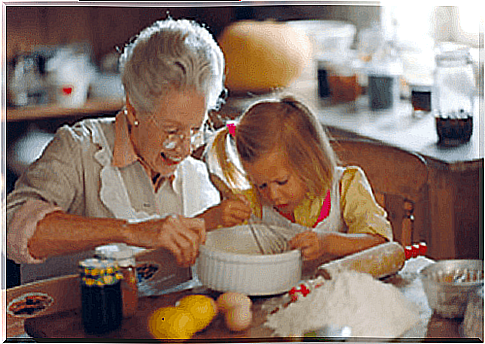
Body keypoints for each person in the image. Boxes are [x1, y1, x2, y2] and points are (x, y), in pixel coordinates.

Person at [6, 18, 238, 285]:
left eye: (195, 129)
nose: (185, 149)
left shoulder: (200, 164)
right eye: (171, 130)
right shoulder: (80, 147)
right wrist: (129, 231)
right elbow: (11, 228)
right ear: (133, 107)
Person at [205, 95, 393, 262]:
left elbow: (380, 243)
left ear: (310, 161)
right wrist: (216, 217)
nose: (273, 195)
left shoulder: (346, 187)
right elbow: (222, 247)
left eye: (282, 182)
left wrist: (327, 243)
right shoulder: (252, 203)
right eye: (261, 184)